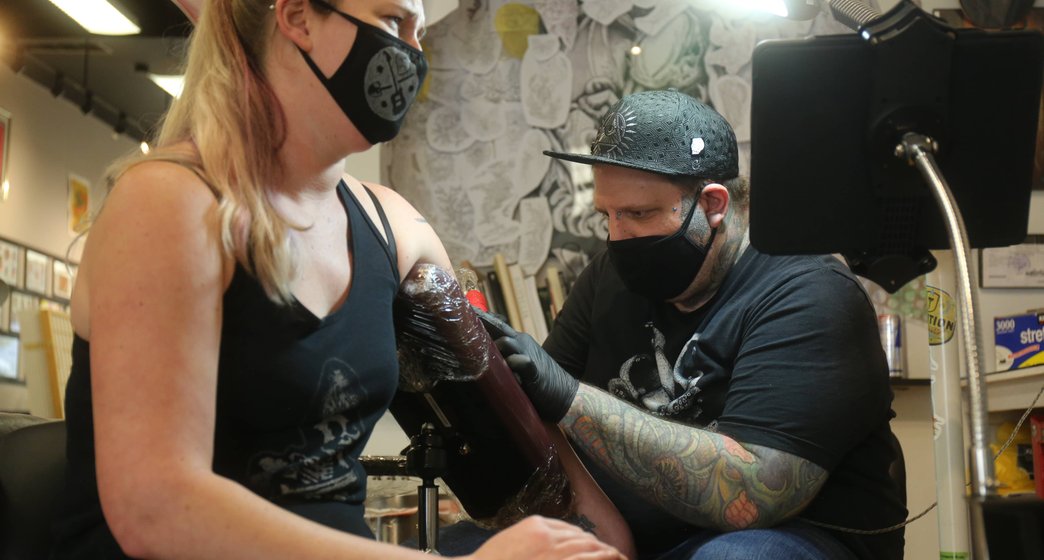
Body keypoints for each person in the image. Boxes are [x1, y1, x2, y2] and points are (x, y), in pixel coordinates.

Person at [49, 2, 627, 560]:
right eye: (392, 22)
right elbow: (156, 508)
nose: (411, 53)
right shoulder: (171, 204)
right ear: (298, 16)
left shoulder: (396, 228)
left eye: (418, 31)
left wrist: (606, 543)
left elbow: (513, 427)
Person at [479, 89, 908, 560]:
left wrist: (568, 397)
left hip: (793, 535)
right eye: (608, 215)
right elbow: (544, 425)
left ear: (713, 204)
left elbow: (756, 493)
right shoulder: (607, 277)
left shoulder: (809, 292)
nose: (616, 236)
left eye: (639, 214)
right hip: (643, 534)